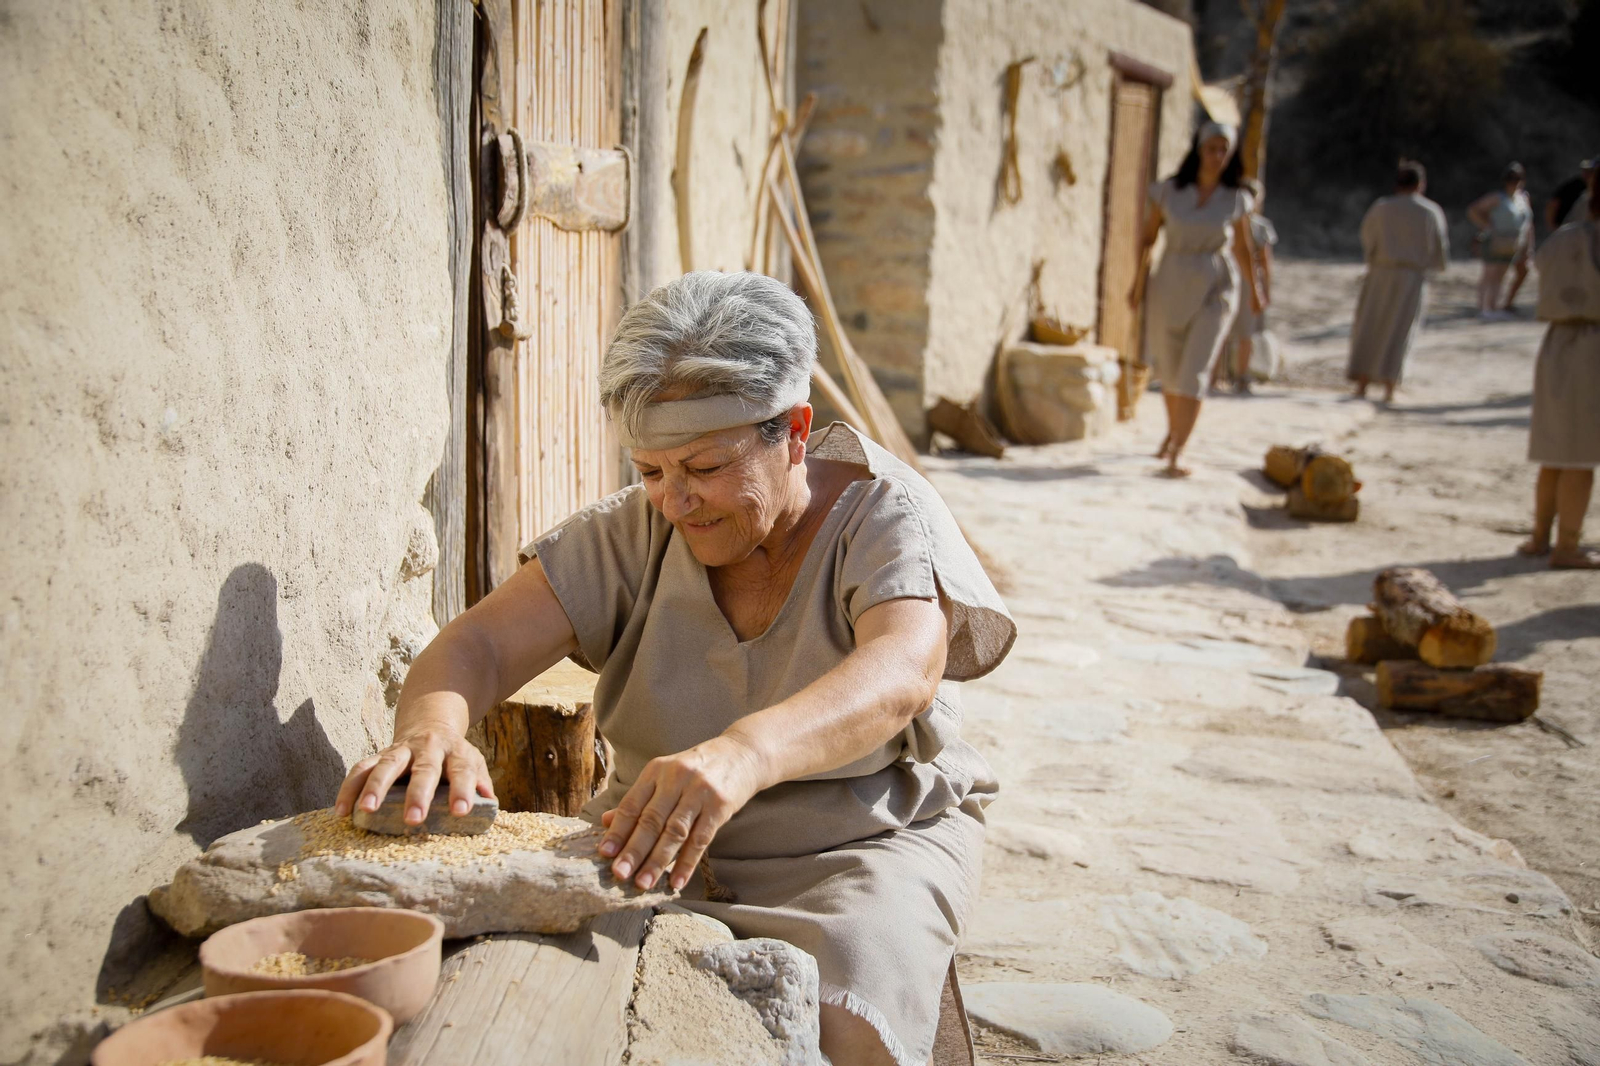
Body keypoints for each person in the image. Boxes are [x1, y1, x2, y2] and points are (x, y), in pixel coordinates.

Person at [335, 271, 1015, 1066]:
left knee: (843, 1016)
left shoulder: (883, 515)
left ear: (794, 431)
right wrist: (430, 730)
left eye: (704, 467)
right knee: (531, 995)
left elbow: (902, 669)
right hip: (651, 835)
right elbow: (475, 648)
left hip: (862, 842)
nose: (675, 501)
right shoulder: (629, 535)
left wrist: (744, 753)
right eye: (652, 471)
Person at [1130, 121, 1265, 476]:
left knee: (1195, 368)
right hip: (1170, 280)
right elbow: (1146, 241)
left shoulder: (1236, 198)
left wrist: (1257, 292)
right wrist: (1135, 283)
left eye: (1224, 149)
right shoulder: (1168, 193)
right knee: (1171, 368)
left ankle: (1178, 450)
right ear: (1198, 150)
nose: (1217, 156)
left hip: (1215, 284)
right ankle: (1173, 433)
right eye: (1211, 148)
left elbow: (1243, 246)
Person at [1519, 163, 1600, 568]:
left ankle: (1539, 538)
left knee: (1555, 449)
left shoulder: (1562, 239)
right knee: (1581, 456)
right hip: (1592, 349)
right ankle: (1567, 546)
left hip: (1556, 344)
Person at [1346, 161, 1450, 403]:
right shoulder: (1430, 211)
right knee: (1400, 329)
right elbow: (1439, 250)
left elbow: (1367, 238)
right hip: (1411, 277)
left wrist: (1374, 259)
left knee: (1370, 325)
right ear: (1420, 184)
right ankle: (1389, 386)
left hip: (1380, 273)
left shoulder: (1381, 208)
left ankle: (1361, 383)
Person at [1211, 178, 1277, 395]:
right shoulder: (1228, 222)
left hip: (1247, 280)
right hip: (1230, 277)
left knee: (1242, 331)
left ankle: (1238, 376)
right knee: (1222, 328)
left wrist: (1263, 288)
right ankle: (1219, 376)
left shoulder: (1260, 227)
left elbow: (1265, 261)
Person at [1467, 163, 1534, 318]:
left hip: (1514, 242)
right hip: (1495, 240)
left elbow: (1528, 224)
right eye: (1511, 179)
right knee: (1490, 273)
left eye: (1517, 179)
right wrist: (1487, 226)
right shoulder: (1497, 198)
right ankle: (1484, 308)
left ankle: (1494, 306)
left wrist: (1528, 245)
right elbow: (1473, 210)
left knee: (1502, 274)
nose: (1515, 182)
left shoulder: (1523, 198)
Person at [1545, 156, 1595, 232]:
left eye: (1591, 171)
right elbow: (1553, 204)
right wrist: (1553, 228)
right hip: (1569, 230)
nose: (1587, 173)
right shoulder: (1573, 186)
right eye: (1585, 170)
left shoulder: (1594, 191)